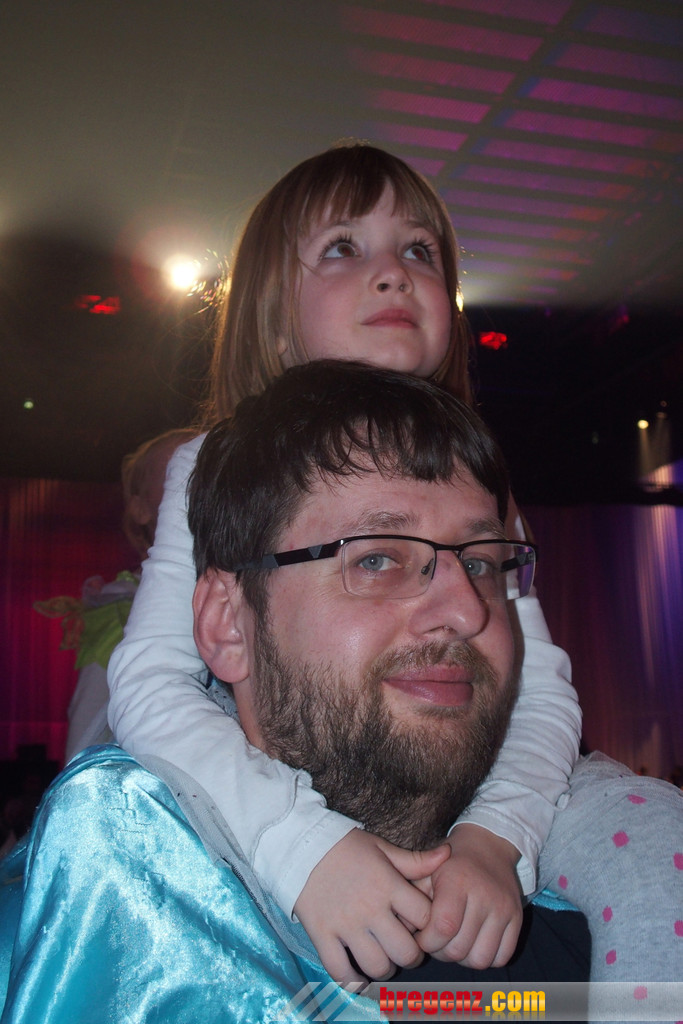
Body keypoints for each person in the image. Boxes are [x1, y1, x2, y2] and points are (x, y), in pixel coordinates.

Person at [106, 142, 584, 983]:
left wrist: (494, 839)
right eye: (342, 248)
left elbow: (537, 690)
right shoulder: (209, 464)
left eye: (419, 249)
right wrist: (302, 846)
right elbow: (150, 683)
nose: (394, 273)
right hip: (261, 806)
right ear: (271, 315)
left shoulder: (480, 486)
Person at [0, 363, 593, 1022]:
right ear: (228, 623)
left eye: (479, 563)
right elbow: (144, 682)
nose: (466, 610)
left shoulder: (592, 959)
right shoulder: (75, 934)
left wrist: (498, 836)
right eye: (376, 558)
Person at [35, 429, 195, 763]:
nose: (197, 480)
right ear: (140, 509)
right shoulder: (122, 610)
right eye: (177, 471)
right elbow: (86, 740)